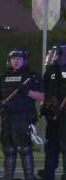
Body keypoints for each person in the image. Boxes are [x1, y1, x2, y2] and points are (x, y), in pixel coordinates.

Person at [0, 49, 44, 180]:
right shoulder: (3, 78)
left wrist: (28, 92)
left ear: (24, 60)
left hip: (24, 117)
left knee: (24, 148)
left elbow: (42, 96)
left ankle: (29, 176)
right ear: (9, 61)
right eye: (13, 58)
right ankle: (8, 176)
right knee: (9, 150)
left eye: (19, 59)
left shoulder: (32, 76)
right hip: (7, 118)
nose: (16, 61)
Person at [39, 44, 66, 180]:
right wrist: (47, 106)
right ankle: (49, 172)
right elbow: (45, 90)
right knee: (52, 145)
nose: (56, 57)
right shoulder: (50, 71)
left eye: (59, 54)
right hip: (53, 114)